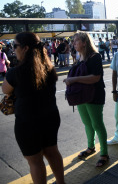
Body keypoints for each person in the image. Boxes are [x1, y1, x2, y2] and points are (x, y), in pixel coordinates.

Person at [2, 32, 65, 184]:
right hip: (50, 117)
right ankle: (61, 183)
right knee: (52, 152)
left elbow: (5, 90)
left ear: (25, 48)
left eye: (15, 46)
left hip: (27, 122)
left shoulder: (15, 73)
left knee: (35, 161)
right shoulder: (49, 68)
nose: (13, 49)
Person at [63, 31, 108, 167]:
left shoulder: (95, 57)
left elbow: (96, 77)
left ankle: (104, 154)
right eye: (73, 41)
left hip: (95, 95)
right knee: (87, 123)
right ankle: (91, 147)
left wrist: (74, 79)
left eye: (76, 41)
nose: (73, 43)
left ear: (84, 42)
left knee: (97, 124)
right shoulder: (80, 56)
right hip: (81, 95)